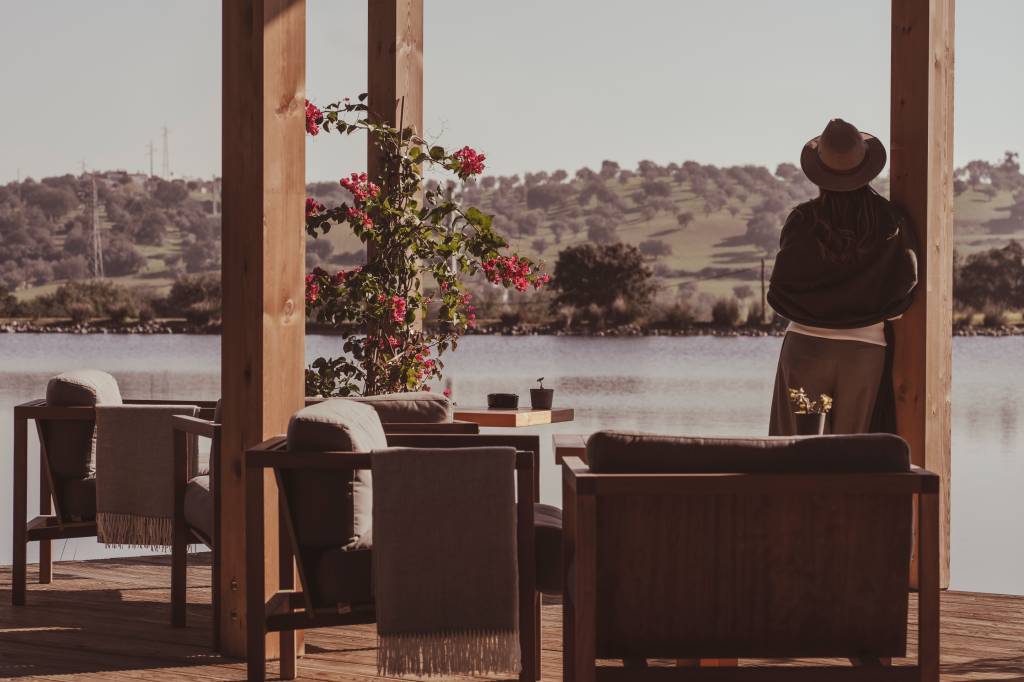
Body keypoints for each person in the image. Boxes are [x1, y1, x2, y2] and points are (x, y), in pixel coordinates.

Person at [768, 118, 918, 436]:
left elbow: (778, 293)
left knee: (799, 451)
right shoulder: (890, 221)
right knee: (851, 455)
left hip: (806, 355)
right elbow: (904, 295)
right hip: (862, 358)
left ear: (819, 171)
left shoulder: (802, 220)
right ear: (865, 167)